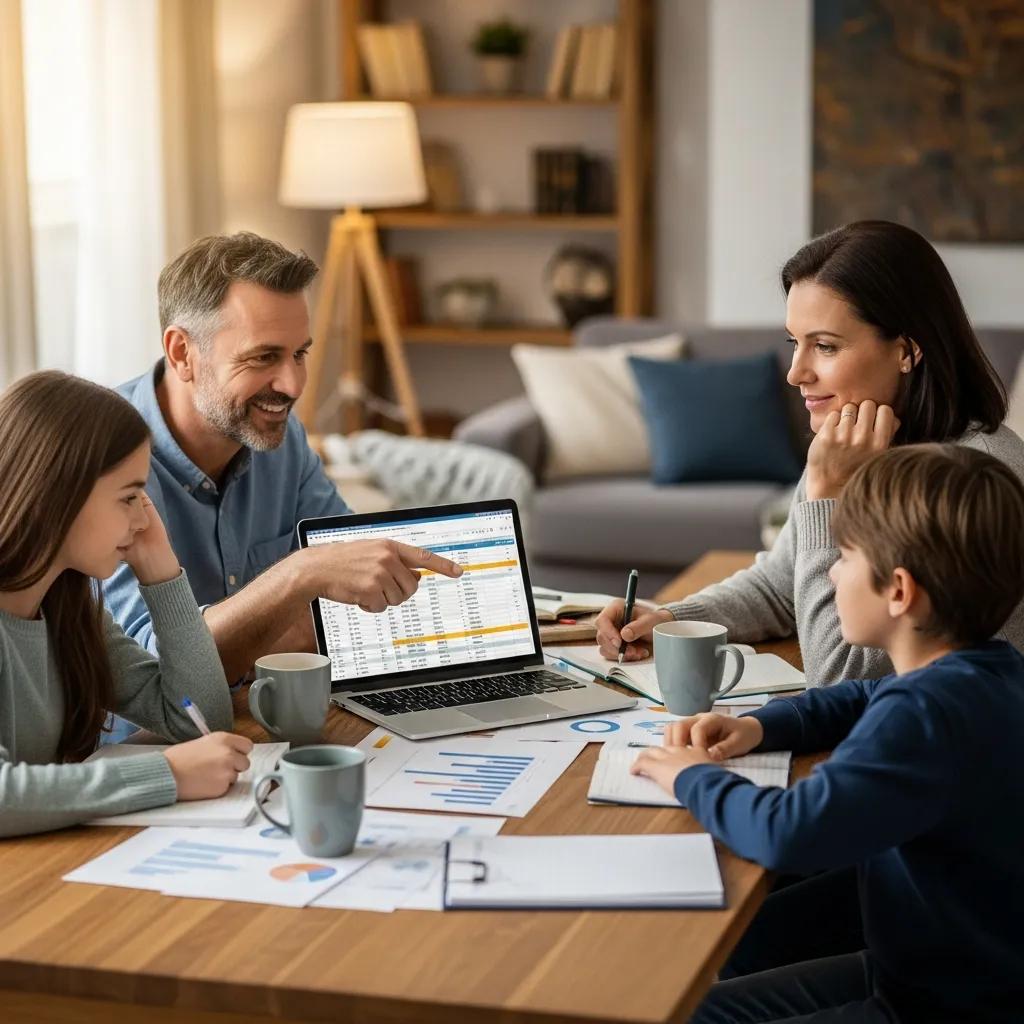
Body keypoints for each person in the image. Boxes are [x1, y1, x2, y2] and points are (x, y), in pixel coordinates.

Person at [632, 444, 1024, 1023]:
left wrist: (693, 778)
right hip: (936, 971)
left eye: (842, 556)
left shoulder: (921, 718)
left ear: (898, 590)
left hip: (940, 1006)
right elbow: (864, 696)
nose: (830, 571)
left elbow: (787, 832)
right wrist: (757, 726)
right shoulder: (992, 669)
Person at [595, 220, 1024, 684]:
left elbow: (839, 677)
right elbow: (784, 587)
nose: (795, 373)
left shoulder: (974, 479)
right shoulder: (858, 442)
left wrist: (824, 493)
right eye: (793, 343)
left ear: (906, 350)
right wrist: (672, 619)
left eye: (824, 346)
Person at [104, 232, 462, 693]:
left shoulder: (279, 434)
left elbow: (360, 579)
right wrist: (301, 575)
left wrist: (289, 609)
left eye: (299, 354)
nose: (293, 386)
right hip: (153, 751)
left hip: (267, 718)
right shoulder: (101, 457)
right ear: (181, 353)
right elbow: (153, 676)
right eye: (264, 357)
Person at [0, 372, 253, 838]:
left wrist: (162, 571)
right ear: (57, 494)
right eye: (129, 497)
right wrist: (167, 776)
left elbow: (196, 719)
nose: (143, 519)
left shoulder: (69, 611)